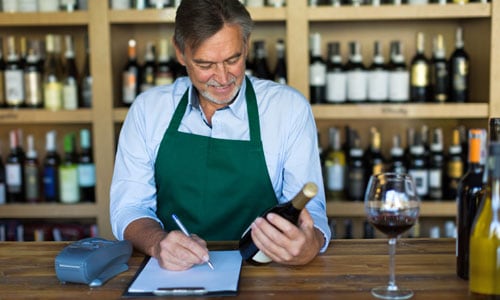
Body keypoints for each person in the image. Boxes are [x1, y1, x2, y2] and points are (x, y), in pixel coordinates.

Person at [110, 0, 331, 271]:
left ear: (246, 45)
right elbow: (129, 207)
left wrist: (310, 244)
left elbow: (312, 210)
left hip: (265, 271)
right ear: (180, 52)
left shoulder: (287, 109)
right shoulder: (148, 110)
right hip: (175, 274)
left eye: (233, 59)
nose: (223, 77)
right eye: (205, 64)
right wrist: (158, 243)